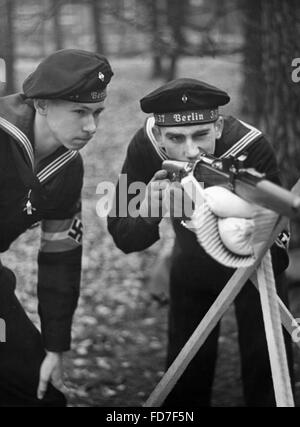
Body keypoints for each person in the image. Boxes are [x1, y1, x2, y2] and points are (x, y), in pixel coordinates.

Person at [107, 78, 294, 407]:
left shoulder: (250, 146)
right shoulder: (144, 148)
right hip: (191, 264)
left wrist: (246, 229)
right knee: (184, 375)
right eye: (176, 138)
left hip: (255, 270)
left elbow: (278, 255)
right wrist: (149, 212)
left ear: (219, 126)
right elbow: (123, 236)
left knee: (268, 368)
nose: (190, 150)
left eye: (201, 135)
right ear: (159, 136)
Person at [0, 49, 113, 407]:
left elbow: (60, 257)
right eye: (79, 112)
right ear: (42, 105)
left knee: (41, 392)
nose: (91, 127)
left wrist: (55, 346)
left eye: (97, 113)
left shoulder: (68, 169)